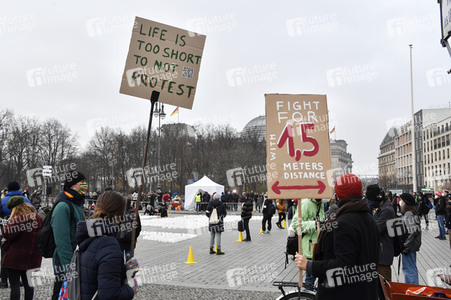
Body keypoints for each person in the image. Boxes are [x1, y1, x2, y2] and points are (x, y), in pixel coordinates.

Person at [295, 174, 379, 300]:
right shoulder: (369, 218)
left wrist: (309, 265)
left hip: (343, 293)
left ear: (339, 195)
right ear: (360, 192)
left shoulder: (343, 223)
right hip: (365, 291)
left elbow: (343, 265)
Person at [77, 191, 136, 299]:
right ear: (119, 216)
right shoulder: (109, 246)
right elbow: (110, 296)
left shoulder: (90, 235)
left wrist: (122, 271)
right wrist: (131, 286)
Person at [51, 171, 87, 300]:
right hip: (65, 262)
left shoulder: (77, 203)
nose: (85, 185)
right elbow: (62, 241)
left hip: (76, 259)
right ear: (72, 185)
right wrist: (69, 270)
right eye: (82, 183)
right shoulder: (63, 206)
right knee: (61, 292)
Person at [1, 196, 42, 300]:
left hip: (16, 257)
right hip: (32, 256)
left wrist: (6, 225)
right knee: (28, 284)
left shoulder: (20, 218)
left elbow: (7, 234)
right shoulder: (37, 217)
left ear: (15, 208)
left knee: (14, 285)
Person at [367, 185, 395, 299]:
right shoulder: (380, 209)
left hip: (383, 257)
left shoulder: (387, 210)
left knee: (385, 292)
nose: (369, 202)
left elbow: (375, 229)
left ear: (378, 198)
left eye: (370, 200)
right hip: (379, 255)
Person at [290, 198, 324, 290]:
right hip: (310, 249)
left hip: (320, 248)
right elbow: (296, 224)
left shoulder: (321, 204)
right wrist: (315, 224)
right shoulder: (306, 203)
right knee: (309, 283)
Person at [399, 193, 421, 284]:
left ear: (406, 202)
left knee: (409, 270)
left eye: (402, 200)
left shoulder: (408, 214)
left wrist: (405, 246)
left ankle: (412, 291)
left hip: (409, 247)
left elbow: (411, 231)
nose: (401, 202)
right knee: (411, 268)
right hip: (412, 246)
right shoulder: (413, 212)